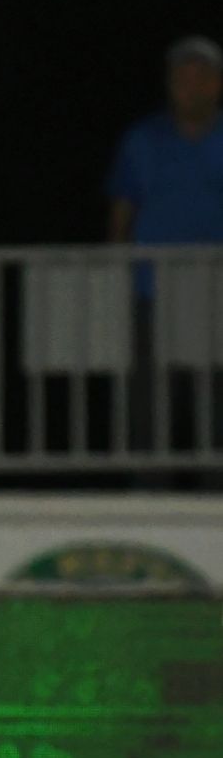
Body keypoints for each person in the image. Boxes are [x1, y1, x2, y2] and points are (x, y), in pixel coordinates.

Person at [107, 36, 223, 459]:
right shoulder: (142, 140)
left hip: (217, 295)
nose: (191, 85)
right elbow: (121, 214)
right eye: (182, 76)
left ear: (218, 84)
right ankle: (147, 498)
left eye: (202, 76)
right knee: (149, 407)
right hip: (151, 292)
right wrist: (114, 278)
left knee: (216, 408)